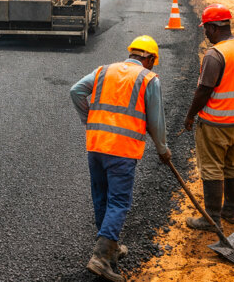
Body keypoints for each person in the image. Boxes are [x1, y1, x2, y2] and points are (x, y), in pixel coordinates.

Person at [70, 35, 171, 282]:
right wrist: (162, 149)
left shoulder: (105, 70)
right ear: (148, 58)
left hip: (96, 146)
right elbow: (156, 121)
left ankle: (110, 247)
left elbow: (76, 91)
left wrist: (89, 119)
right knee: (119, 202)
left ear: (132, 54)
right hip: (122, 150)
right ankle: (101, 258)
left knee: (101, 196)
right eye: (153, 61)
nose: (152, 66)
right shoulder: (148, 78)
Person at [183, 4, 234, 231]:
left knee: (212, 168)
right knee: (233, 164)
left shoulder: (215, 55)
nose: (205, 33)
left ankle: (211, 218)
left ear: (214, 27)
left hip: (217, 123)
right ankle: (231, 211)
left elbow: (203, 90)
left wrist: (190, 116)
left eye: (206, 28)